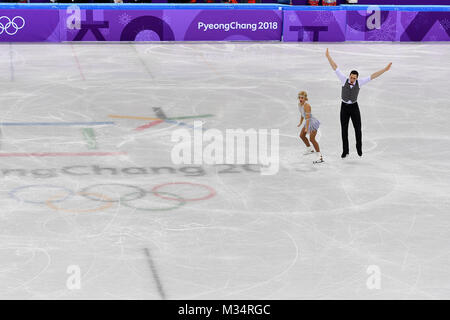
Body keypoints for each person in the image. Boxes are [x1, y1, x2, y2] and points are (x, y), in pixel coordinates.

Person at [325, 48, 392, 158]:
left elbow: (373, 76)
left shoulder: (360, 82)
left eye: (354, 78)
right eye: (351, 77)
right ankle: (345, 151)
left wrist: (384, 70)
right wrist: (328, 57)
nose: (351, 79)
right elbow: (335, 67)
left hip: (354, 108)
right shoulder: (343, 79)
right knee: (344, 129)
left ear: (357, 78)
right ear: (349, 75)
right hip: (344, 108)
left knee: (358, 128)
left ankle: (359, 148)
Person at [297, 91, 323, 164]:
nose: (300, 99)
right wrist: (300, 123)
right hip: (307, 122)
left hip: (312, 122)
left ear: (305, 98)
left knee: (312, 139)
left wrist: (306, 128)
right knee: (302, 135)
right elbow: (302, 115)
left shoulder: (307, 106)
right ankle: (309, 149)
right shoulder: (299, 105)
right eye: (299, 97)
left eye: (302, 98)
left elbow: (308, 118)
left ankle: (320, 157)